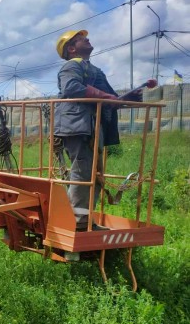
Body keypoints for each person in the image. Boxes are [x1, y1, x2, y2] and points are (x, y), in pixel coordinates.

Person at [54, 30, 142, 231]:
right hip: (77, 126)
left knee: (95, 175)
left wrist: (128, 98)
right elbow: (71, 87)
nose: (87, 38)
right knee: (83, 173)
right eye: (81, 38)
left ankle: (85, 222)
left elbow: (110, 98)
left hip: (93, 127)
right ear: (72, 48)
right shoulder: (71, 66)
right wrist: (105, 97)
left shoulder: (94, 70)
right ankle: (76, 225)